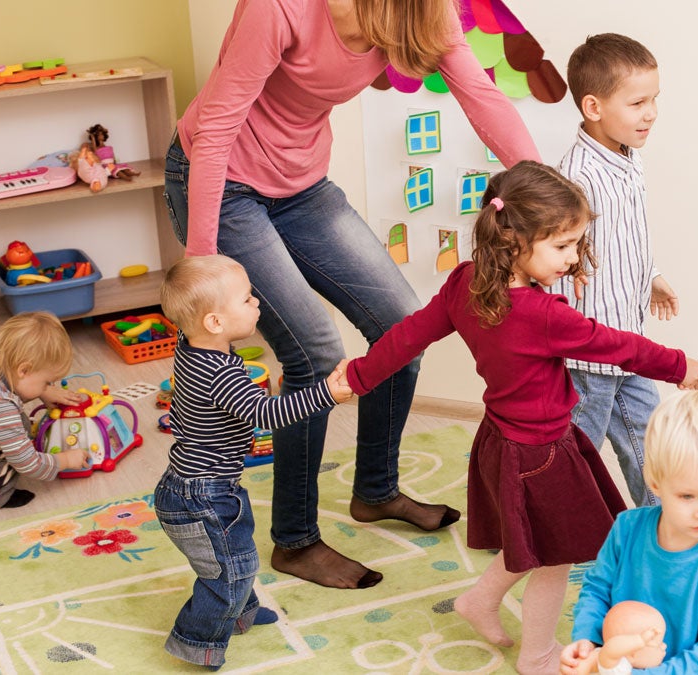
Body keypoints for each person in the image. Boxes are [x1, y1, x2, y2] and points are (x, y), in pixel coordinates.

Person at [162, 0, 542, 590]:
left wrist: (545, 200)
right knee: (313, 352)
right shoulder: (279, 8)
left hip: (302, 184)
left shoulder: (422, 10)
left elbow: (482, 96)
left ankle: (375, 490)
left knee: (402, 325)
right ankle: (295, 540)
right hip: (221, 180)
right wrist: (204, 263)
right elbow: (216, 126)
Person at [342, 161, 698, 674]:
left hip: (501, 439)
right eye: (562, 247)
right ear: (515, 240)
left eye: (576, 245)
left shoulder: (466, 282)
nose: (573, 258)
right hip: (539, 451)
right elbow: (618, 348)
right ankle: (536, 655)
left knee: (533, 543)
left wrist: (359, 375)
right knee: (555, 556)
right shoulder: (544, 315)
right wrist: (682, 367)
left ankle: (478, 602)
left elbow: (409, 336)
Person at [153, 255, 354, 668]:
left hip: (200, 485)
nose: (257, 303)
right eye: (246, 300)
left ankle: (239, 614)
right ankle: (197, 643)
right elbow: (268, 415)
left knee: (237, 557)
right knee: (228, 572)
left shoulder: (190, 345)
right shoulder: (221, 374)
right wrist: (326, 395)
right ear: (214, 323)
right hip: (202, 496)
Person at [549, 33, 674, 508]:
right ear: (594, 107)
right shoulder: (578, 174)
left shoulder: (628, 158)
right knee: (576, 450)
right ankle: (541, 526)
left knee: (651, 442)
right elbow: (557, 248)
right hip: (589, 355)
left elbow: (625, 235)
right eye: (638, 102)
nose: (651, 112)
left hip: (630, 341)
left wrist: (653, 275)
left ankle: (664, 528)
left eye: (654, 100)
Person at [559, 391, 698, 675]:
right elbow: (597, 589)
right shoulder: (627, 529)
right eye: (687, 496)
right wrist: (586, 641)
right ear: (654, 481)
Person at [0, 312, 90, 512]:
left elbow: (18, 387)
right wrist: (65, 460)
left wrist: (43, 391)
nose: (48, 386)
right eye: (46, 382)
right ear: (23, 370)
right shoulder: (0, 405)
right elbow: (27, 463)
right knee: (21, 429)